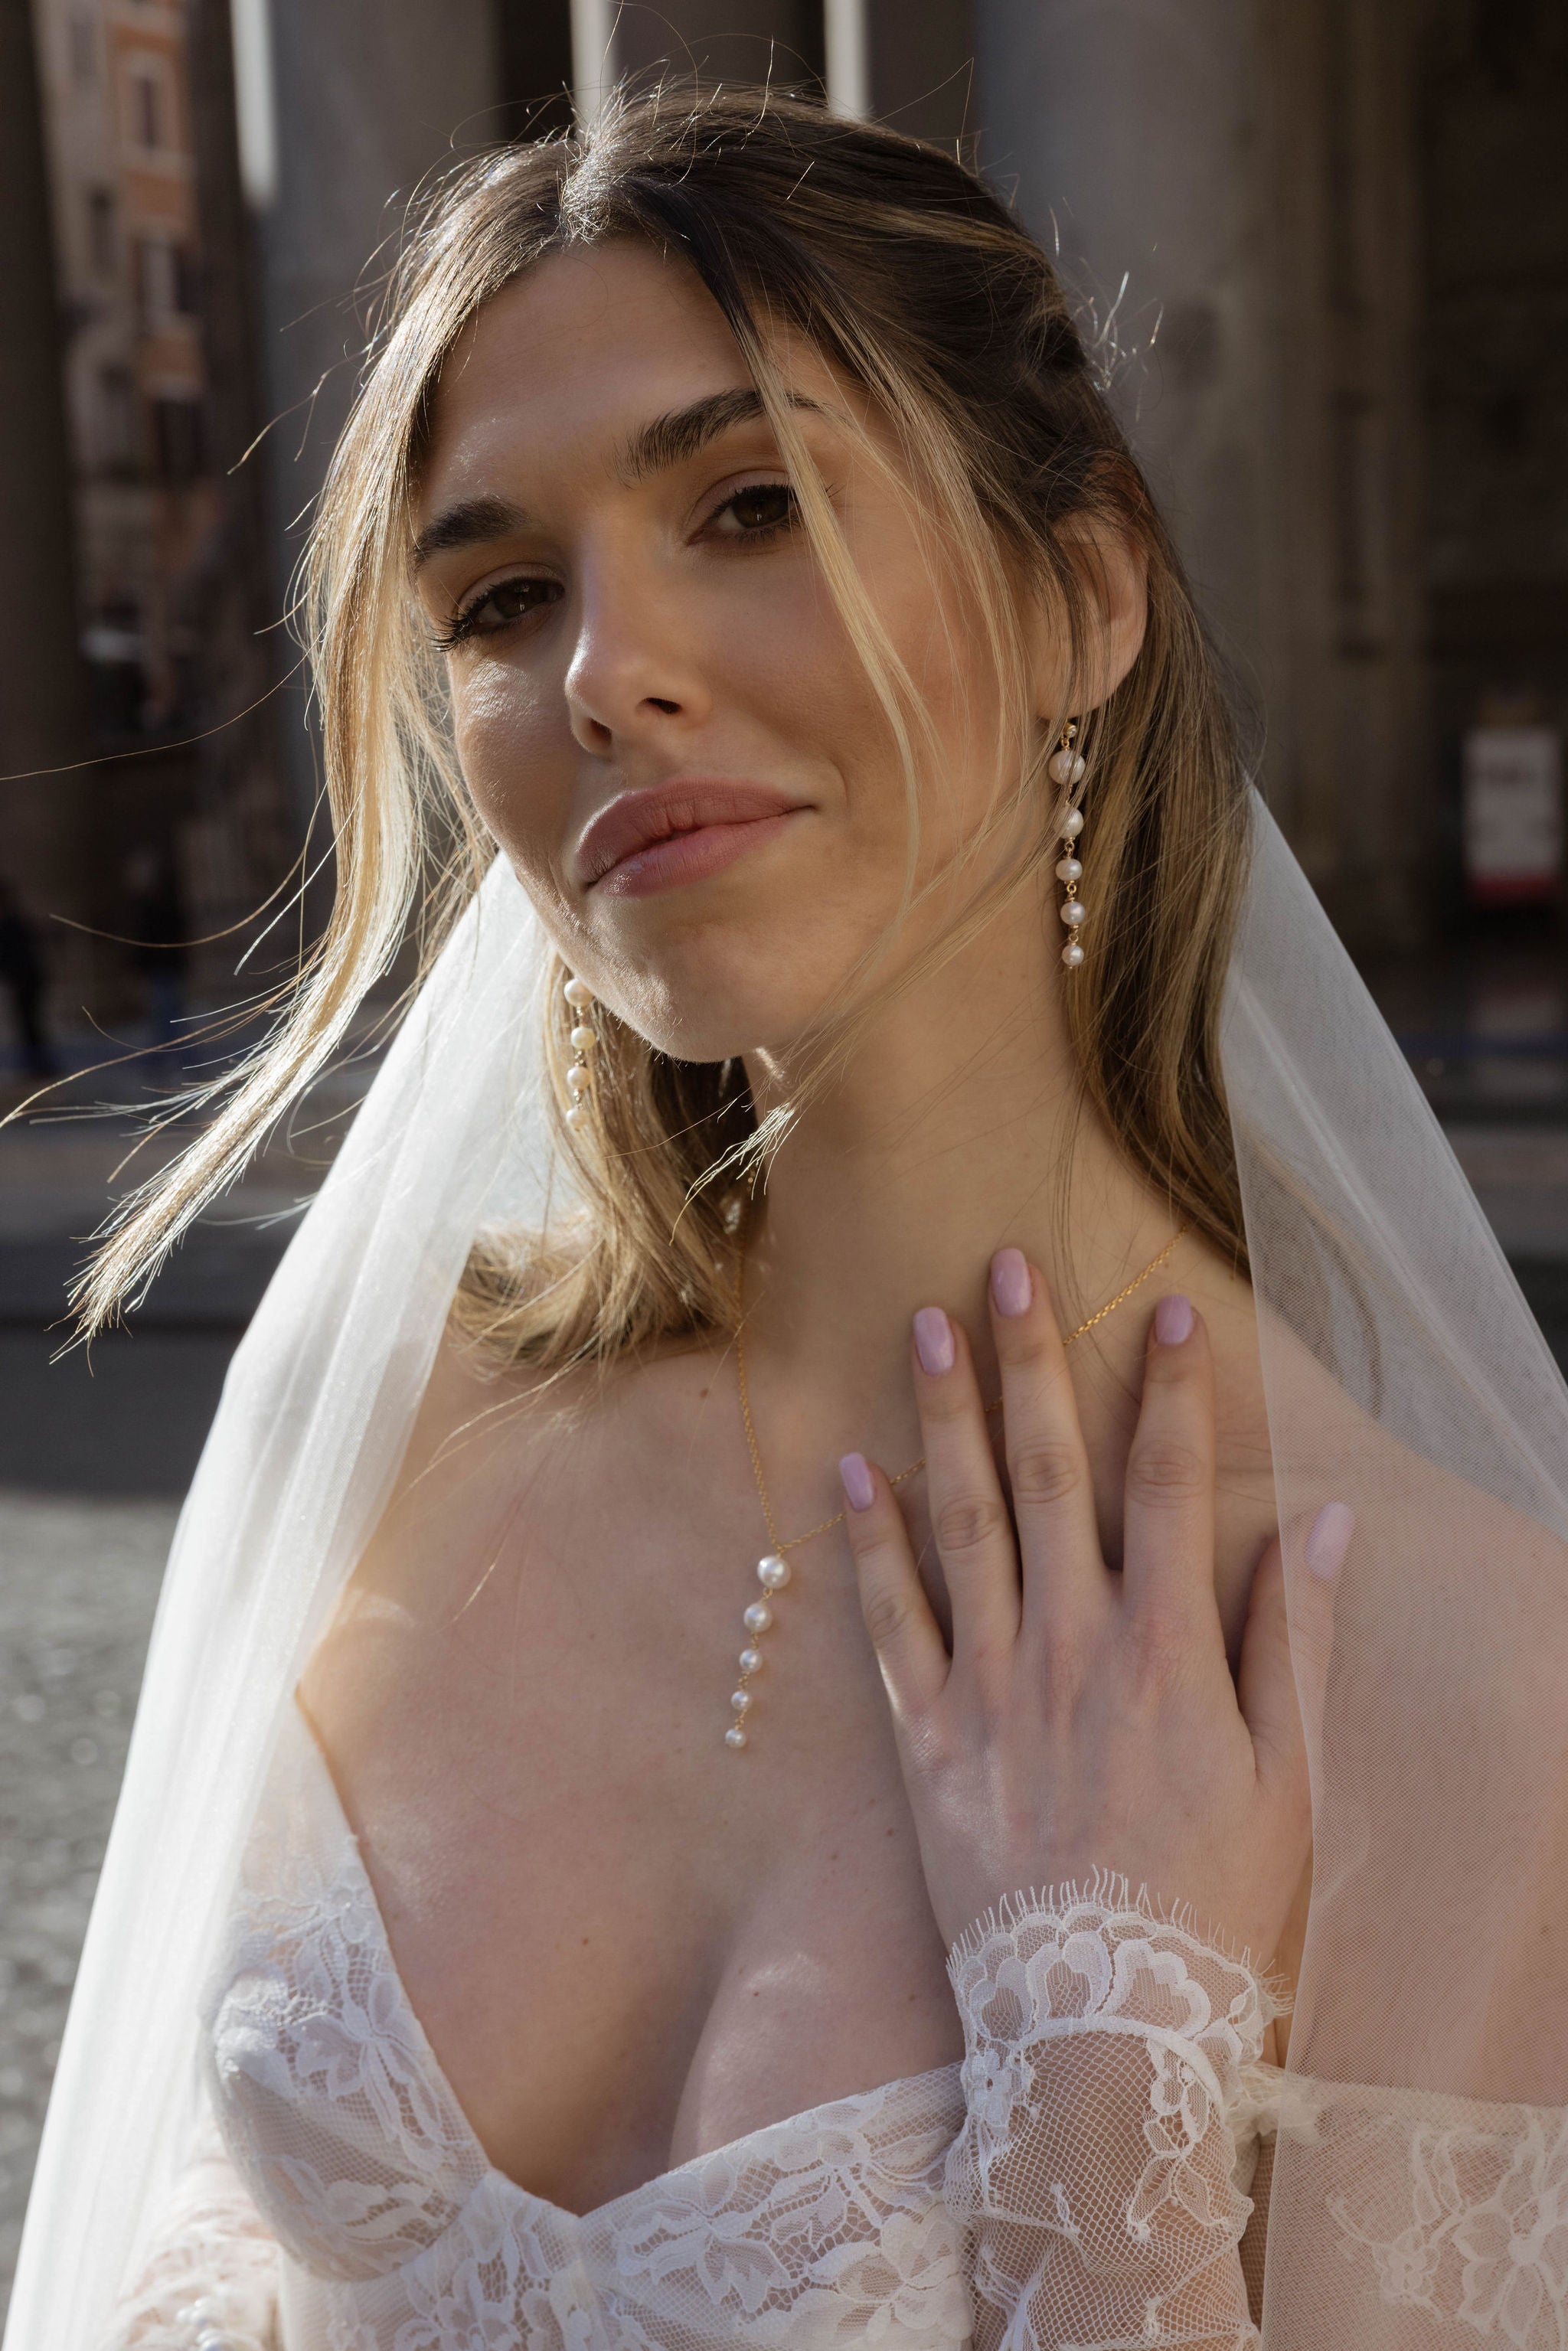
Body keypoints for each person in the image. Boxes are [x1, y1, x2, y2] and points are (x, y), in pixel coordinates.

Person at [8, 88, 1567, 2351]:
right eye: (500, 595)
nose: (598, 673)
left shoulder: (1443, 1652)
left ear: (1080, 596)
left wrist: (1099, 2114)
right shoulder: (402, 1430)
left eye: (744, 505)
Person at [0, 877, 57, 1079]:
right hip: (25, 981)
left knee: (30, 1023)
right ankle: (37, 1064)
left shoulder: (11, 923)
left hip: (26, 981)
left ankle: (39, 1065)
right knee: (29, 1023)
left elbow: (13, 955)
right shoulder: (15, 921)